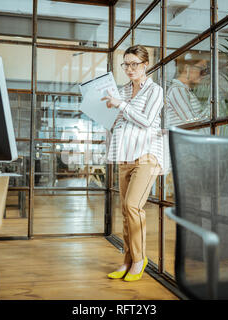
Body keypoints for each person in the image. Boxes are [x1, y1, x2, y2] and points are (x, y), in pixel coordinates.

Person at [101, 44, 164, 282]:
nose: (129, 68)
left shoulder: (154, 90)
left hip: (147, 155)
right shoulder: (123, 91)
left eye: (134, 64)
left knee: (132, 206)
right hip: (124, 155)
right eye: (125, 64)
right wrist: (109, 111)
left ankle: (139, 259)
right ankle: (127, 260)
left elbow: (147, 121)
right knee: (126, 211)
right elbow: (120, 122)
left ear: (145, 65)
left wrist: (120, 105)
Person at [166, 51, 209, 128]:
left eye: (206, 71)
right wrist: (210, 109)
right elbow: (191, 121)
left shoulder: (184, 90)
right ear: (187, 68)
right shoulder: (177, 90)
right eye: (202, 69)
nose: (204, 74)